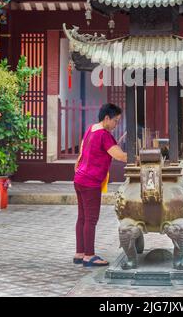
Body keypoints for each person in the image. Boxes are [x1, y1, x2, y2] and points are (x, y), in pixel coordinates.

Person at [73, 103, 127, 267]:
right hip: (90, 182)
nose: (116, 124)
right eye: (115, 121)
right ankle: (89, 256)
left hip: (79, 178)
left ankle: (79, 253)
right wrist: (135, 155)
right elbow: (120, 156)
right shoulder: (104, 134)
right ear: (106, 118)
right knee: (91, 219)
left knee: (82, 218)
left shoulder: (91, 129)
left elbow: (82, 153)